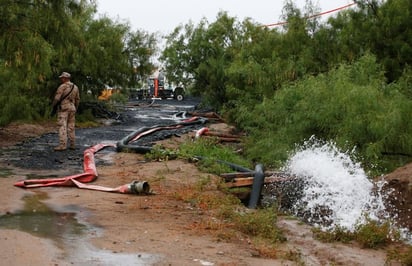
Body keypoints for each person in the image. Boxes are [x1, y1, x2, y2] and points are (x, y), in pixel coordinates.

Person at [52, 72, 80, 151]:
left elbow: (57, 98)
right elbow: (78, 99)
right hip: (72, 107)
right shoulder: (75, 87)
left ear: (65, 78)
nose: (61, 79)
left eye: (62, 78)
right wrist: (75, 108)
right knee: (71, 126)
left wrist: (53, 105)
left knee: (62, 125)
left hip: (64, 108)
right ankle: (72, 144)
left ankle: (62, 145)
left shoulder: (62, 86)